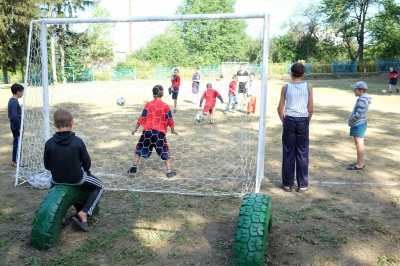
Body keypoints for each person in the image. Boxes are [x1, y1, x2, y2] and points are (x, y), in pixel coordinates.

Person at [44, 108, 104, 232]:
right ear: (72, 122)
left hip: (57, 180)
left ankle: (62, 218)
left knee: (53, 190)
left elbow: (47, 166)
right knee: (100, 186)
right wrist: (86, 171)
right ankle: (85, 212)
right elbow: (87, 163)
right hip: (77, 179)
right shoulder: (78, 141)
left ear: (54, 125)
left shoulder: (49, 143)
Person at [277, 63, 314, 193]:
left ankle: (287, 184)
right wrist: (306, 121)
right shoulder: (308, 87)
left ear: (291, 73)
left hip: (290, 120)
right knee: (302, 152)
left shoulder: (285, 88)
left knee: (288, 151)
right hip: (303, 120)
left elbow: (280, 108)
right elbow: (311, 108)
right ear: (303, 74)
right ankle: (302, 185)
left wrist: (284, 122)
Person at [128, 85, 178, 178]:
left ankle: (133, 168)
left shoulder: (148, 105)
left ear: (153, 94)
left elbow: (141, 118)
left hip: (148, 131)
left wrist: (135, 128)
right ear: (162, 94)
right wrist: (172, 129)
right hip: (159, 133)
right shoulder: (165, 106)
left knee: (139, 148)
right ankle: (169, 172)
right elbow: (170, 119)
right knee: (165, 151)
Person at [347, 81, 372, 170]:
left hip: (358, 124)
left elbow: (359, 114)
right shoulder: (363, 98)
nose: (354, 91)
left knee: (359, 144)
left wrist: (351, 119)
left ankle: (360, 164)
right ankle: (360, 162)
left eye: (355, 89)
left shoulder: (362, 100)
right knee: (359, 144)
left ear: (361, 91)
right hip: (360, 124)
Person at [8, 84, 24, 167]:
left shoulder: (13, 101)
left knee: (17, 143)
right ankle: (15, 162)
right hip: (16, 126)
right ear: (18, 92)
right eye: (22, 92)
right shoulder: (14, 102)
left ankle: (15, 160)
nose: (23, 94)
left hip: (15, 125)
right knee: (17, 143)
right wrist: (19, 127)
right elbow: (14, 116)